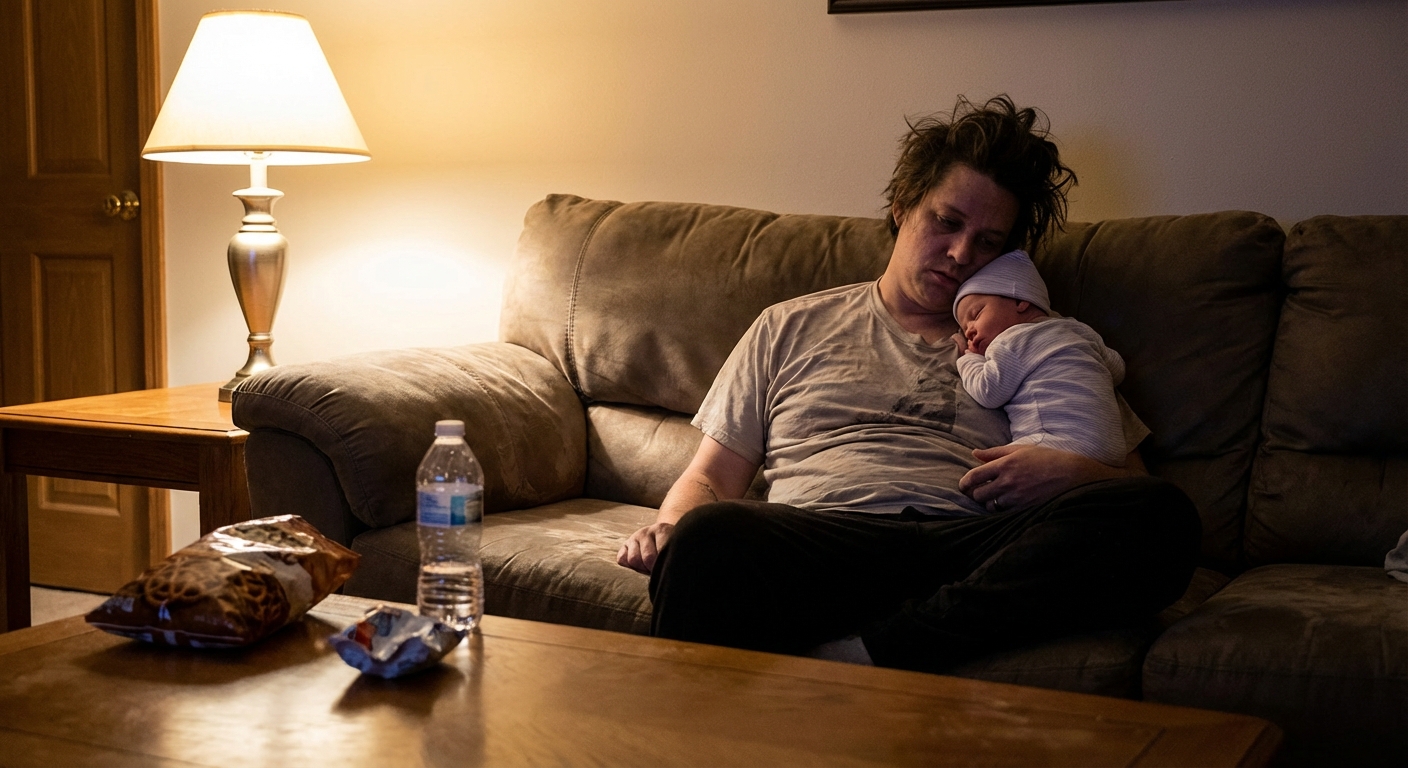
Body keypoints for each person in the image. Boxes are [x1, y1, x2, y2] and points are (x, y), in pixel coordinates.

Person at [616, 95, 1200, 674]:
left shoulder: (1034, 335)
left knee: (1161, 518)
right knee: (706, 539)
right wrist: (669, 528)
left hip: (969, 548)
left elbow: (1131, 487)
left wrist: (1072, 475)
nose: (961, 253)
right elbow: (711, 477)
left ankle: (879, 652)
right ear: (901, 206)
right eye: (946, 223)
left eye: (989, 241)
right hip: (824, 542)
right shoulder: (788, 325)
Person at [952, 249, 1129, 467]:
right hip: (1113, 452)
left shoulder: (1010, 341)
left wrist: (968, 358)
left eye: (976, 315)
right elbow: (1117, 370)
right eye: (964, 329)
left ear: (1020, 301)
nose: (969, 331)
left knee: (985, 474)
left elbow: (989, 391)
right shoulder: (1078, 329)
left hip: (1053, 443)